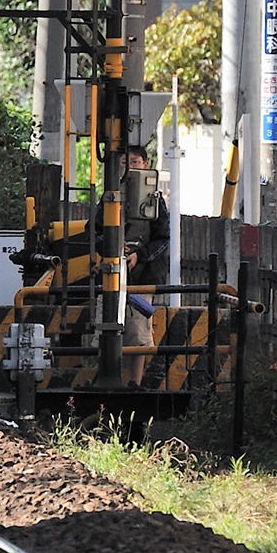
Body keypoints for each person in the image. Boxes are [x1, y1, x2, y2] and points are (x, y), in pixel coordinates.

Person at [122, 143, 171, 386]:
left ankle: (135, 383)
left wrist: (139, 256)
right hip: (112, 273)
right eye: (124, 162)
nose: (129, 167)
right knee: (105, 324)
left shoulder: (154, 201)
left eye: (133, 162)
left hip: (143, 279)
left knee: (138, 328)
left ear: (145, 164)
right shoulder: (112, 197)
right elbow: (94, 230)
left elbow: (163, 238)